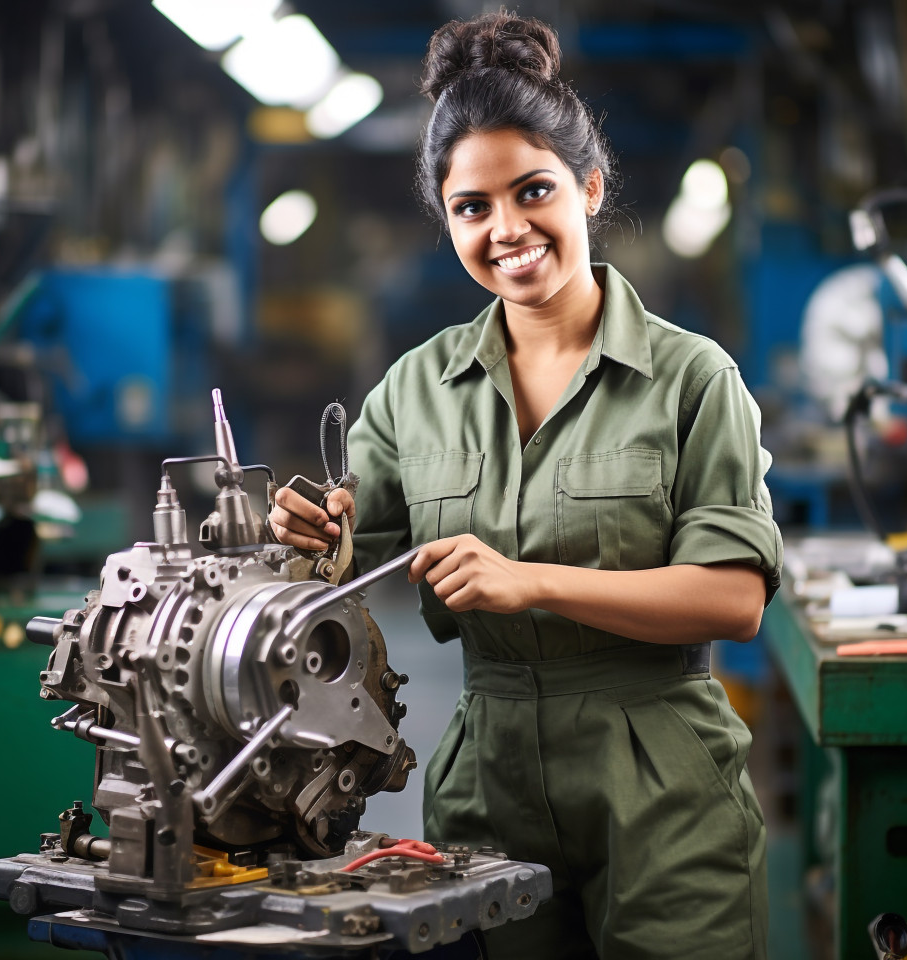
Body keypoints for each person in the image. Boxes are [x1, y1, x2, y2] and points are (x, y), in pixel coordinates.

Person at [269, 10, 782, 960]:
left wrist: (530, 579)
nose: (507, 230)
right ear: (447, 219)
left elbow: (733, 597)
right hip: (485, 783)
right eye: (473, 207)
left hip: (662, 777)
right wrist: (311, 534)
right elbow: (345, 561)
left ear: (588, 188)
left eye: (533, 190)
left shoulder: (692, 379)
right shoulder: (413, 391)